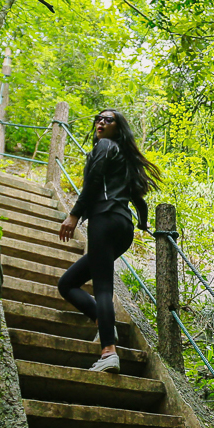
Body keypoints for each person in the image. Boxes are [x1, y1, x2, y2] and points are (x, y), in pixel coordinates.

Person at [57, 109, 160, 372]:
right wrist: (143, 224)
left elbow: (93, 181)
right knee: (67, 283)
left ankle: (108, 353)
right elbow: (138, 199)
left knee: (103, 287)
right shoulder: (125, 158)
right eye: (98, 119)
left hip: (103, 220)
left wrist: (74, 215)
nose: (101, 123)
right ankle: (105, 324)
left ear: (118, 127)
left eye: (108, 120)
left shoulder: (104, 146)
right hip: (123, 227)